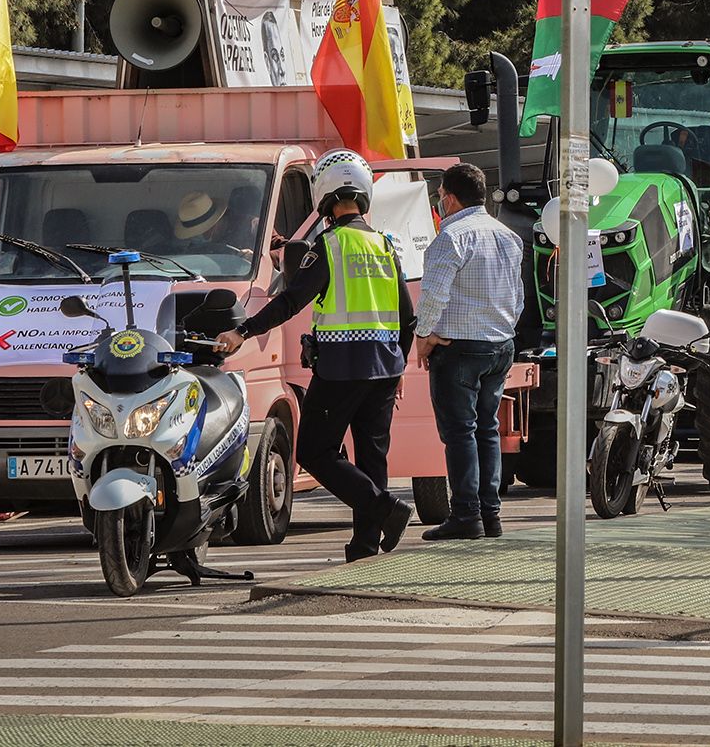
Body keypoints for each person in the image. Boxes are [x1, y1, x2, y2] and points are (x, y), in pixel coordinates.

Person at [217, 150, 416, 560]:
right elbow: (408, 318)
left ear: (324, 195)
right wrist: (397, 371)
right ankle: (365, 544)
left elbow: (290, 301)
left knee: (312, 452)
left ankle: (384, 508)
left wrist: (243, 331)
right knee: (371, 455)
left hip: (341, 367)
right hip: (383, 368)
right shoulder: (385, 246)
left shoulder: (328, 245)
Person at [413, 162, 524, 542]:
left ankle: (466, 514)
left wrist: (423, 335)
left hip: (458, 348)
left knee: (460, 433)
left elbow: (434, 293)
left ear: (450, 198)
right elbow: (518, 296)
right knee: (487, 430)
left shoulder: (451, 237)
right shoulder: (508, 236)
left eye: (441, 195)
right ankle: (490, 515)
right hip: (499, 344)